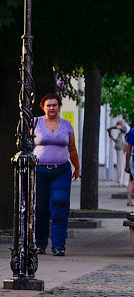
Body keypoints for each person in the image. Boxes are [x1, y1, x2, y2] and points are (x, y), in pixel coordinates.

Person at [34, 94, 79, 256]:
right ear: (43, 107)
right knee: (40, 208)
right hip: (39, 171)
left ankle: (59, 246)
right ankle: (39, 244)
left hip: (61, 170)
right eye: (48, 105)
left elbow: (72, 148)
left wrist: (77, 167)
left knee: (60, 206)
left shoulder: (66, 125)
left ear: (59, 107)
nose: (52, 108)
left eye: (54, 105)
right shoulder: (35, 123)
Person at [106, 118, 129, 184]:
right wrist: (111, 135)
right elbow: (117, 141)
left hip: (122, 149)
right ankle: (120, 180)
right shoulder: (121, 133)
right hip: (119, 148)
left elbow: (117, 127)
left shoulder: (125, 128)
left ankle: (121, 181)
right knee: (120, 164)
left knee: (121, 164)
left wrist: (111, 128)